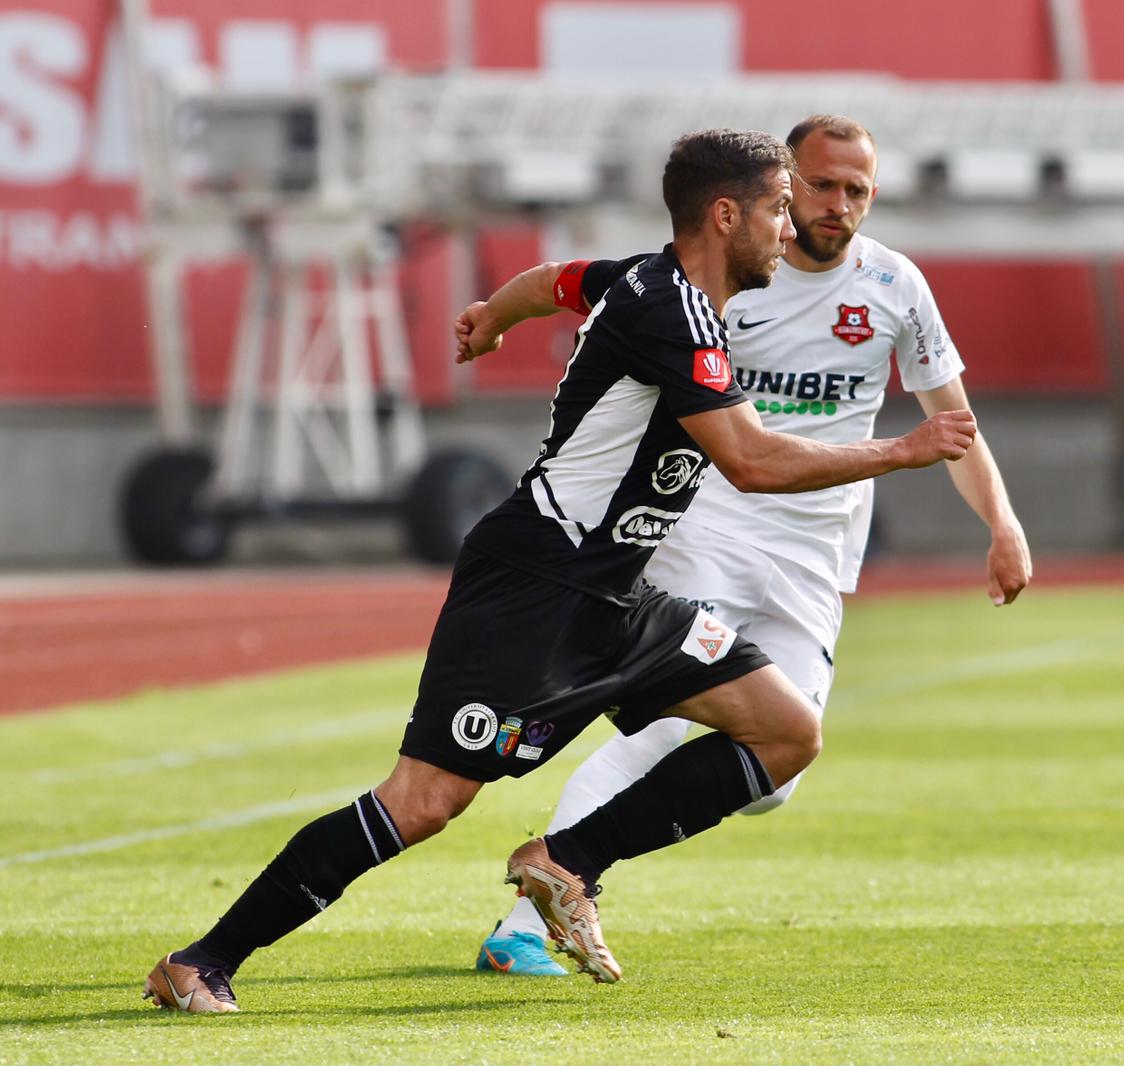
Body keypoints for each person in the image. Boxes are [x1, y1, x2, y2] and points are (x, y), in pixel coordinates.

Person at [141, 127, 978, 1012]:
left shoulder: (645, 280)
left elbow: (557, 282)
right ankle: (203, 958)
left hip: (619, 591)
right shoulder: (676, 314)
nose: (791, 227)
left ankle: (566, 861)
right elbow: (754, 463)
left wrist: (493, 316)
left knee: (787, 733)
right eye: (777, 208)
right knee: (424, 801)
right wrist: (903, 450)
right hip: (534, 582)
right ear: (725, 215)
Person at [453, 114, 1032, 978]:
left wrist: (1004, 522)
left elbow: (954, 422)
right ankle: (529, 919)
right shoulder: (723, 269)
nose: (838, 206)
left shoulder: (896, 287)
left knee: (781, 766)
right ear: (784, 185)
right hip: (708, 522)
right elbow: (568, 281)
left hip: (816, 549)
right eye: (823, 186)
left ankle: (562, 868)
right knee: (659, 723)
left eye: (858, 191)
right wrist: (495, 317)